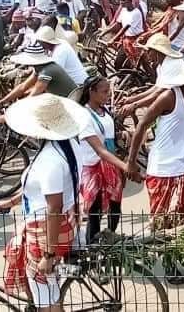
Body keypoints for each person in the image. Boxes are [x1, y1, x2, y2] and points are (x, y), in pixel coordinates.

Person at [0, 94, 84, 311]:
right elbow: (47, 192)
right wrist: (14, 200)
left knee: (46, 295)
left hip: (46, 233)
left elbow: (53, 207)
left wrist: (48, 254)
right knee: (50, 289)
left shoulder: (49, 161)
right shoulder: (69, 146)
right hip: (66, 223)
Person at [126, 57, 184, 228]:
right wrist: (131, 162)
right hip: (162, 168)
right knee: (162, 226)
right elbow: (142, 124)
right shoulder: (169, 97)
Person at [71, 76, 130, 244]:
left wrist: (123, 135)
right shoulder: (84, 116)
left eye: (108, 92)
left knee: (115, 205)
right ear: (92, 92)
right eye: (104, 92)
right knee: (95, 210)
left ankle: (109, 236)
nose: (108, 95)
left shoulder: (104, 111)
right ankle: (92, 244)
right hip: (92, 167)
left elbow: (106, 138)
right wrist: (125, 167)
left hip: (109, 164)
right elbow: (100, 149)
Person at [0, 44, 78, 104]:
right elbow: (22, 87)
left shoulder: (47, 71)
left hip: (71, 102)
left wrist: (9, 114)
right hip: (61, 100)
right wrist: (2, 102)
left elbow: (33, 96)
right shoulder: (39, 69)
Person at [103, 0, 146, 65]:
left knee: (135, 64)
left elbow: (125, 28)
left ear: (129, 1)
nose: (121, 2)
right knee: (118, 64)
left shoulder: (136, 13)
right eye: (120, 0)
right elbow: (118, 24)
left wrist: (113, 39)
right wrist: (105, 31)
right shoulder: (124, 10)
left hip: (135, 41)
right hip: (126, 40)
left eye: (123, 0)